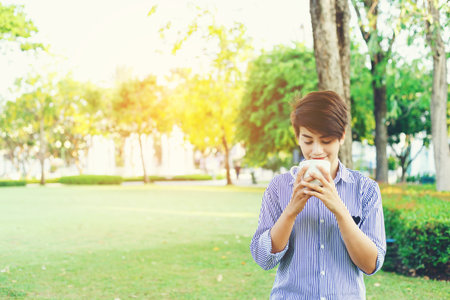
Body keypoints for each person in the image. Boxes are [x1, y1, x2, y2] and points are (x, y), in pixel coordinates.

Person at [250, 91, 386, 300]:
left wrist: (339, 209)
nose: (316, 150)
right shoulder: (279, 187)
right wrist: (291, 211)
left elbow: (371, 265)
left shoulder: (365, 190)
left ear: (341, 137)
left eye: (326, 140)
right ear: (297, 138)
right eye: (308, 140)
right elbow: (263, 259)